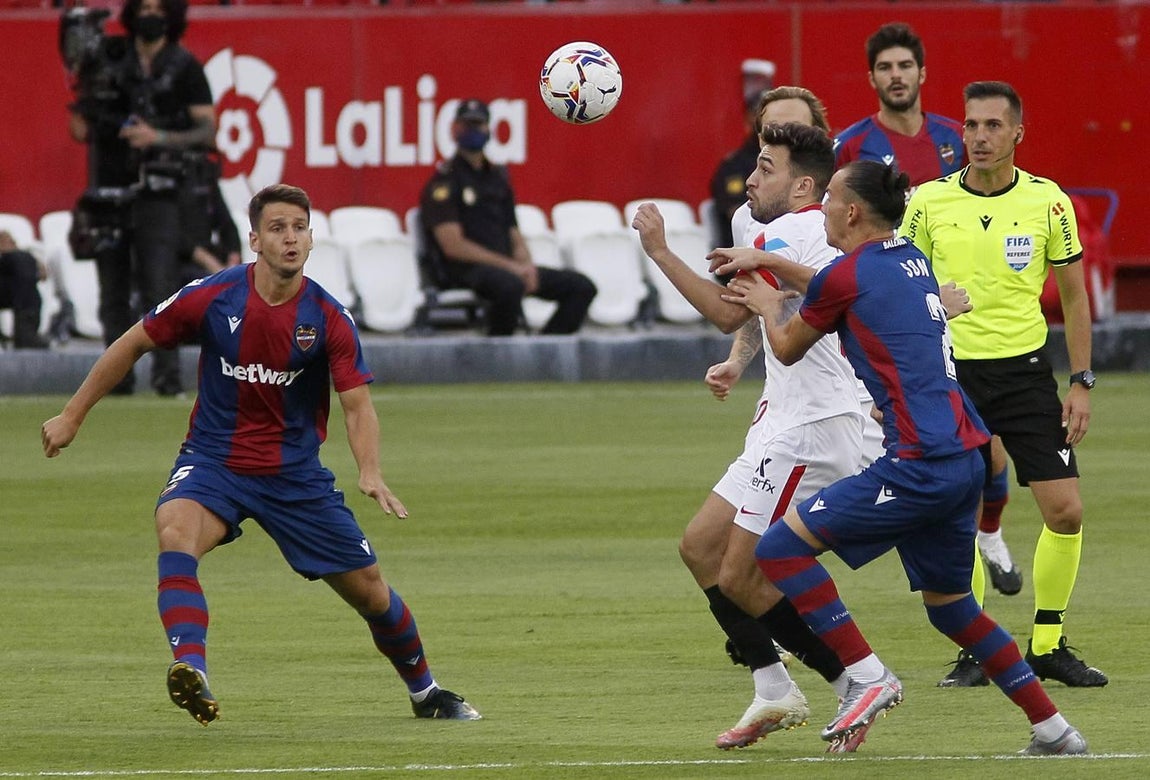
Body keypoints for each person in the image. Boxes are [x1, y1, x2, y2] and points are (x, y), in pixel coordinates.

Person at [41, 183, 481, 726]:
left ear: (312, 238)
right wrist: (72, 415)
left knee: (371, 593)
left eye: (299, 227)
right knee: (175, 531)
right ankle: (191, 669)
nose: (289, 238)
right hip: (213, 462)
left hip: (293, 476)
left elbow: (357, 406)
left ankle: (426, 692)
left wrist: (370, 470)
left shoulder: (328, 318)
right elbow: (132, 343)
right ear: (254, 239)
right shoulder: (210, 296)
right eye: (277, 228)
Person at [725, 159, 1087, 756]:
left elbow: (788, 346)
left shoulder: (849, 274)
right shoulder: (910, 260)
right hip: (963, 457)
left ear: (851, 211)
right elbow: (836, 283)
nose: (821, 207)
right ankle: (1054, 730)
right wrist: (767, 263)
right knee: (954, 611)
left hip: (919, 463)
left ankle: (866, 675)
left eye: (831, 197)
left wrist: (767, 302)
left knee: (779, 550)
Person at [635, 121, 876, 752]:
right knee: (699, 547)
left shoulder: (789, 232)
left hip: (811, 428)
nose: (750, 178)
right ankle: (773, 686)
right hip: (786, 421)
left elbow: (723, 314)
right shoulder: (801, 235)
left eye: (764, 168)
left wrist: (660, 250)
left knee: (743, 574)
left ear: (803, 187)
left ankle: (856, 679)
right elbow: (745, 318)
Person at [901, 81, 1108, 689]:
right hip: (950, 375)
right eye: (970, 126)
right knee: (956, 514)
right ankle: (977, 648)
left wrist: (1082, 383)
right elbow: (902, 284)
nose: (980, 137)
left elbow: (1074, 297)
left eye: (993, 126)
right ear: (959, 132)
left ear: (1018, 133)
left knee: (1065, 510)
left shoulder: (1049, 202)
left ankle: (1047, 644)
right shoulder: (928, 202)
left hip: (1024, 375)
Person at [834, 22, 1022, 651]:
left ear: (920, 74)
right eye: (884, 66)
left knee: (986, 452)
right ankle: (967, 601)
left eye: (904, 66)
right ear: (873, 78)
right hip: (904, 329)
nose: (895, 76)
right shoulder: (854, 145)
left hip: (968, 326)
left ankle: (987, 536)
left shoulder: (956, 139)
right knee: (961, 454)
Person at [68, 0, 217, 396]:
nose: (150, 14)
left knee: (161, 288)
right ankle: (115, 382)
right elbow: (81, 128)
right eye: (144, 6)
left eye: (158, 7)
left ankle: (167, 379)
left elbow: (206, 131)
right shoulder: (109, 61)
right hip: (110, 186)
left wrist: (160, 138)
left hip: (161, 189)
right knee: (112, 290)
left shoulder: (185, 66)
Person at [418, 99, 597, 336]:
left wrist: (526, 267)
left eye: (478, 124)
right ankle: (500, 356)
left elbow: (513, 231)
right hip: (466, 271)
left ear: (488, 129)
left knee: (581, 287)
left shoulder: (497, 178)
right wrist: (512, 268)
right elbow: (453, 246)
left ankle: (545, 353)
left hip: (506, 267)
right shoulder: (444, 182)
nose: (473, 130)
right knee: (509, 286)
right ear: (454, 129)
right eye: (467, 124)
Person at [708, 59, 776, 249]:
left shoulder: (787, 161)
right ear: (749, 116)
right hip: (740, 257)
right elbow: (741, 215)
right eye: (761, 113)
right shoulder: (733, 166)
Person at [0, 230, 50, 350]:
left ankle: (34, 339)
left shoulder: (12, 258)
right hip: (29, 300)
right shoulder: (26, 257)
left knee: (24, 344)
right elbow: (42, 275)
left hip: (19, 300)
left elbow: (42, 275)